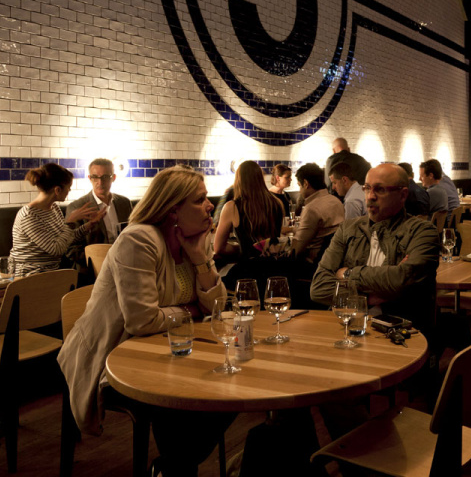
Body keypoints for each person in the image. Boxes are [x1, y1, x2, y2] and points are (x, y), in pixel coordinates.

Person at [58, 166, 230, 476]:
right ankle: (176, 467)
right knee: (183, 398)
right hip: (115, 356)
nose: (210, 206)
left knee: (231, 382)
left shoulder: (197, 239)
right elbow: (142, 322)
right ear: (172, 209)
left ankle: (172, 467)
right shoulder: (139, 239)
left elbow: (216, 307)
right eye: (200, 199)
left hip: (171, 350)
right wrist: (191, 310)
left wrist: (199, 260)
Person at [310, 163, 439, 336]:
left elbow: (401, 280)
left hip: (402, 334)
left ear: (402, 195)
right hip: (346, 329)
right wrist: (369, 298)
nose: (370, 196)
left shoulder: (422, 231)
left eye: (380, 190)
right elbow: (318, 288)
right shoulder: (348, 229)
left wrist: (347, 274)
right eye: (367, 188)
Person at [10, 162, 104, 278]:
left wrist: (88, 225)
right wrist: (70, 222)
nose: (69, 191)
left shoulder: (54, 208)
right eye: (68, 187)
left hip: (52, 272)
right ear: (57, 190)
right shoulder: (29, 215)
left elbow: (64, 240)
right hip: (29, 276)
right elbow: (57, 249)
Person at [214, 160, 285, 289]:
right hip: (276, 269)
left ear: (238, 180)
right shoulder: (277, 203)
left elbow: (218, 248)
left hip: (248, 273)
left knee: (219, 284)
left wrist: (244, 248)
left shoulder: (232, 207)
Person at [65, 158, 133, 271]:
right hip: (92, 270)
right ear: (89, 178)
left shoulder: (124, 203)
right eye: (95, 177)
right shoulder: (77, 207)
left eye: (105, 177)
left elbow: (132, 234)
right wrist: (99, 261)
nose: (100, 182)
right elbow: (71, 249)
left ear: (113, 178)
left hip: (124, 264)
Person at [288, 163, 344, 281]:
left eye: (299, 185)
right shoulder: (336, 201)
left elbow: (296, 250)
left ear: (306, 183)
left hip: (312, 267)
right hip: (334, 262)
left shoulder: (312, 208)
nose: (300, 191)